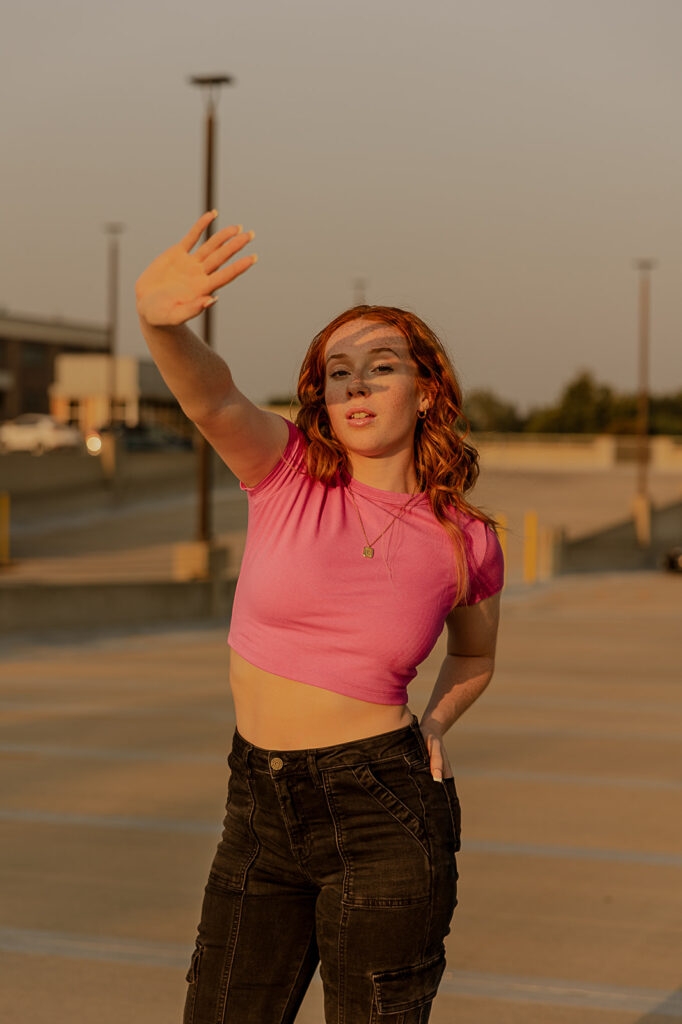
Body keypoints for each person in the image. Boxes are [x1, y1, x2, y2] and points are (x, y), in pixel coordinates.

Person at [135, 210, 504, 1024]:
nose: (357, 385)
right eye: (339, 373)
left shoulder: (465, 539)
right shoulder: (288, 471)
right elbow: (212, 396)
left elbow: (475, 657)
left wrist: (435, 723)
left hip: (383, 808)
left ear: (427, 387)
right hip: (258, 808)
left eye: (380, 366)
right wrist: (162, 328)